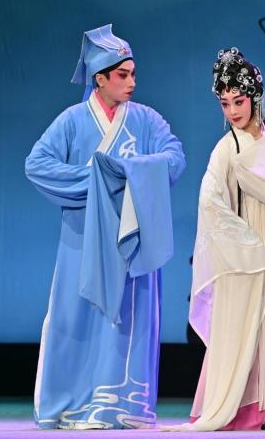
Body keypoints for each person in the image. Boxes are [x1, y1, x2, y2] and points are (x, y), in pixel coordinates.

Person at [25, 24, 185, 429]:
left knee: (129, 319)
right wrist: (95, 181)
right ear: (100, 79)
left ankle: (123, 405)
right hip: (82, 239)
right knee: (75, 317)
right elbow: (37, 165)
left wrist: (128, 173)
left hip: (133, 240)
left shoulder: (146, 120)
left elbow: (174, 157)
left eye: (133, 74)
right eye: (122, 75)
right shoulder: (72, 121)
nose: (132, 82)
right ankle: (71, 404)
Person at [164, 48, 265, 431]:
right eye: (225, 103)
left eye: (239, 100)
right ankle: (237, 409)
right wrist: (244, 243)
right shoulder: (226, 149)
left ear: (255, 96)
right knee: (240, 332)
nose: (232, 110)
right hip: (244, 256)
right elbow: (210, 203)